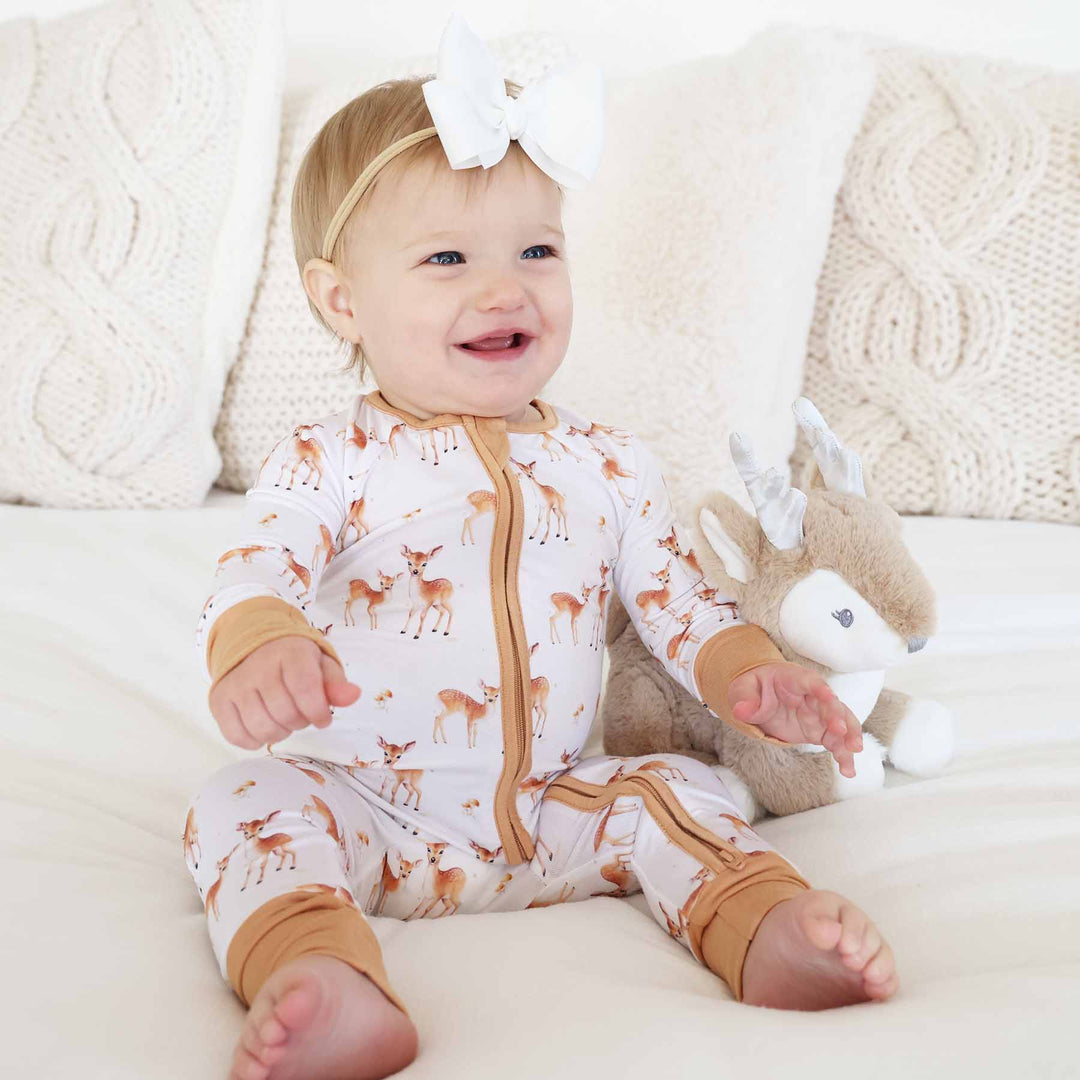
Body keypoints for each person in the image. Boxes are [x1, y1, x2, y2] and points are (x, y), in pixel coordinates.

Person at [182, 14, 898, 1080]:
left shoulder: (611, 465)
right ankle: (323, 971)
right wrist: (256, 645)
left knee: (687, 794)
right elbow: (258, 569)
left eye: (536, 250)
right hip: (368, 808)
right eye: (445, 259)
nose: (503, 286)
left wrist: (757, 675)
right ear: (342, 300)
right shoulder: (325, 458)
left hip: (559, 806)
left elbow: (683, 609)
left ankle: (766, 934)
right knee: (239, 803)